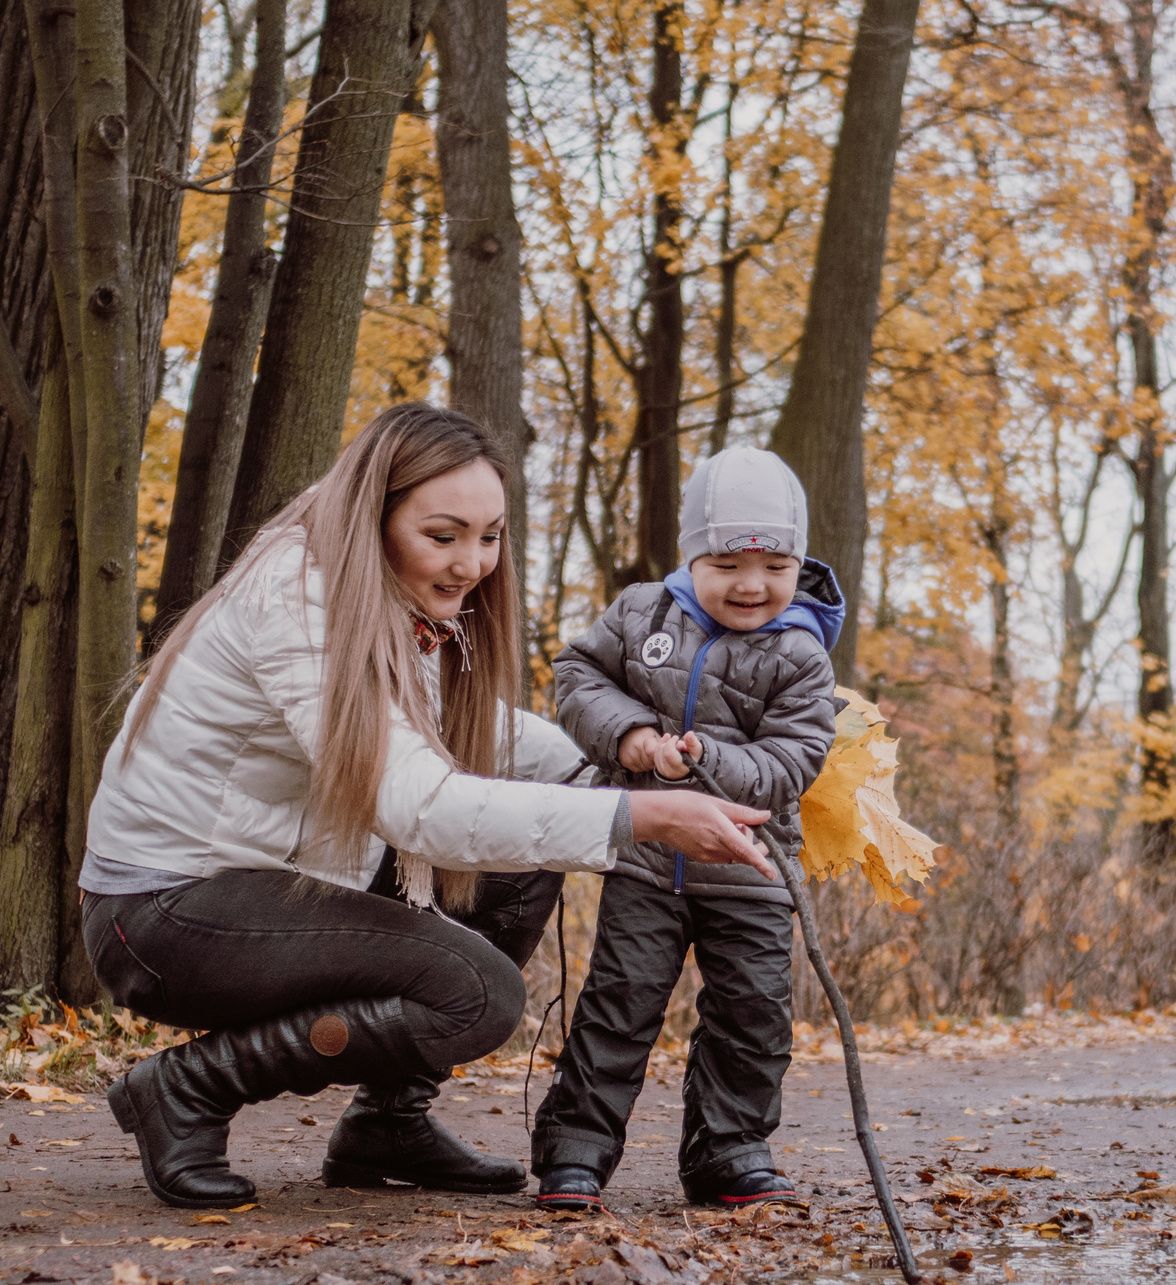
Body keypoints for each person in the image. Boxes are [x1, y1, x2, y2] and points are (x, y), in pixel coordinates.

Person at [79, 403, 778, 1210]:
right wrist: (637, 820)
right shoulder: (300, 597)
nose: (471, 563)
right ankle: (189, 1087)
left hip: (275, 878)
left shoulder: (392, 593)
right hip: (162, 908)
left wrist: (626, 766)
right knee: (478, 994)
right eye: (442, 535)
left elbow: (464, 732)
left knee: (522, 865)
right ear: (374, 513)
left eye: (490, 536)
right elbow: (416, 805)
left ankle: (386, 1122)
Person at [528, 446, 843, 1211]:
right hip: (648, 861)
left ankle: (728, 1151)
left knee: (752, 1016)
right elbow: (577, 677)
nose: (752, 584)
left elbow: (792, 760)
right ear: (693, 557)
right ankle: (576, 1151)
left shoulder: (801, 654)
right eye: (728, 563)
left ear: (799, 563)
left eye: (775, 565)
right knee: (619, 1003)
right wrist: (636, 740)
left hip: (751, 872)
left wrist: (708, 760)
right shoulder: (643, 614)